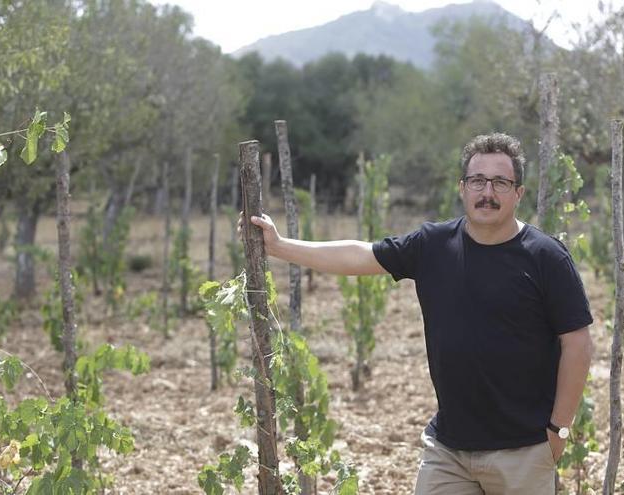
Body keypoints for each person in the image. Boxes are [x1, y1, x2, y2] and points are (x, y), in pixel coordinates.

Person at [242, 132, 593, 495]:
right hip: (449, 451)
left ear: (518, 193)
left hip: (523, 451)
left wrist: (558, 431)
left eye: (500, 183)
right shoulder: (434, 245)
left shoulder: (546, 258)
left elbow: (578, 345)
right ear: (462, 187)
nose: (487, 192)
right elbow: (361, 255)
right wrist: (280, 247)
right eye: (477, 181)